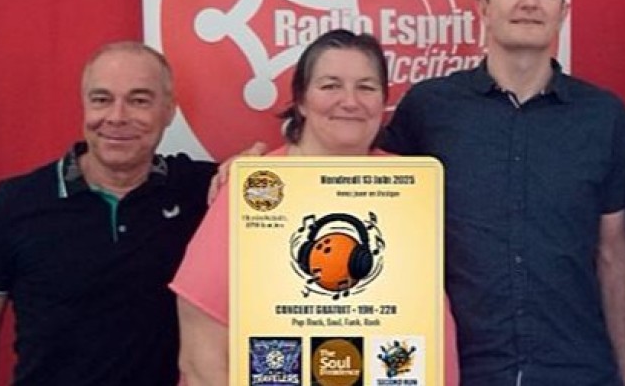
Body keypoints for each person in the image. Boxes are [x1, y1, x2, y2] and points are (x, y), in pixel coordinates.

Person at [381, 0, 625, 385]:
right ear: (484, 8)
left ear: (563, 11)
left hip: (577, 370)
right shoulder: (429, 109)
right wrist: (266, 166)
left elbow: (613, 253)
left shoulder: (603, 116)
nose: (529, 2)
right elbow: (352, 185)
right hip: (462, 369)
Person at [171, 29, 460, 385]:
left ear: (383, 102)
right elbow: (201, 352)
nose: (350, 101)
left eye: (366, 87)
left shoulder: (410, 185)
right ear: (301, 101)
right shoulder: (258, 186)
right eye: (330, 85)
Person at [0, 41, 216, 385]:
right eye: (101, 99)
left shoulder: (204, 191)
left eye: (139, 101)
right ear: (84, 105)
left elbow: (273, 187)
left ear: (169, 110)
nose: (117, 117)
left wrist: (248, 168)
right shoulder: (15, 203)